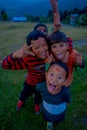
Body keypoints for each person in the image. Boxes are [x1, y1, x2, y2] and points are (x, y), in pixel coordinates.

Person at [1, 30, 49, 114]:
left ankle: (37, 105)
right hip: (30, 83)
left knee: (38, 97)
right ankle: (21, 101)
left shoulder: (50, 56)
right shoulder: (28, 60)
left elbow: (65, 43)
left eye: (44, 45)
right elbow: (4, 65)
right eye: (37, 47)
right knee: (24, 94)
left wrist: (56, 30)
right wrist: (14, 55)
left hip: (42, 84)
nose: (42, 49)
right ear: (31, 49)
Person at [36, 61, 70, 130]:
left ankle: (58, 120)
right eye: (51, 74)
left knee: (60, 117)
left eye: (59, 77)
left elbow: (67, 98)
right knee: (48, 117)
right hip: (47, 109)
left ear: (65, 81)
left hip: (60, 110)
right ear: (46, 75)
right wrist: (37, 101)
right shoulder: (40, 87)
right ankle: (49, 122)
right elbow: (37, 95)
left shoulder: (65, 91)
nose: (54, 80)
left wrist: (67, 102)